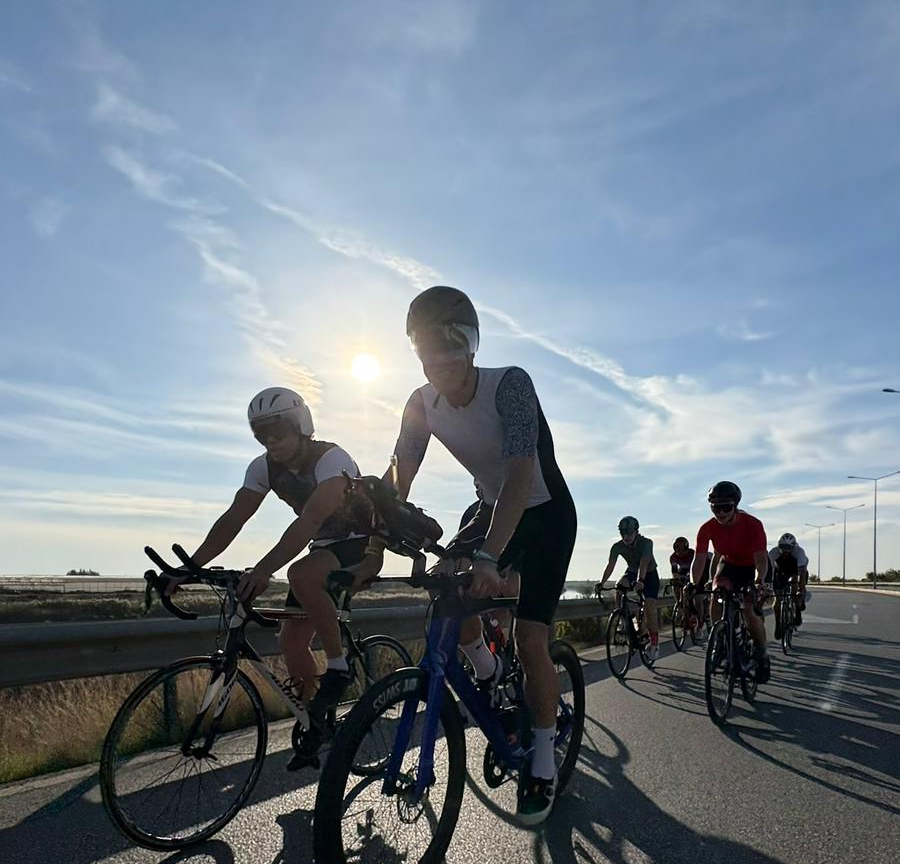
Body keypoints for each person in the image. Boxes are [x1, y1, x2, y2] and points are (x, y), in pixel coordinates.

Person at [388, 285, 577, 827]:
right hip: (492, 508)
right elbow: (399, 474)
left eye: (450, 345)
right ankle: (489, 672)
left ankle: (542, 758)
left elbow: (520, 474)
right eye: (426, 349)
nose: (438, 360)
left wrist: (491, 555)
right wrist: (372, 531)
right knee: (448, 589)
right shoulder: (421, 403)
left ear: (471, 344)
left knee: (532, 637)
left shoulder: (510, 385)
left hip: (543, 512)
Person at [181, 387, 372, 766]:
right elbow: (233, 519)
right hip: (325, 548)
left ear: (301, 426)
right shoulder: (263, 467)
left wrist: (264, 569)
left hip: (362, 545)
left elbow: (310, 521)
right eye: (261, 434)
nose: (271, 441)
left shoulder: (331, 459)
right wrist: (188, 567)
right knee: (291, 640)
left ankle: (338, 666)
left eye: (279, 431)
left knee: (299, 572)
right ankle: (314, 721)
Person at [688, 480, 770, 682]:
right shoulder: (707, 528)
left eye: (726, 507)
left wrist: (760, 580)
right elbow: (699, 560)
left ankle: (762, 653)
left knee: (749, 609)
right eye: (716, 507)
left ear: (735, 506)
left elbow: (761, 558)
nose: (721, 512)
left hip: (751, 565)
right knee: (717, 595)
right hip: (729, 564)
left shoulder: (753, 524)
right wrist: (693, 583)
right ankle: (719, 639)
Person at [596, 518, 660, 662]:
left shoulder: (647, 543)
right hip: (632, 571)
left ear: (636, 531)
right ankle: (623, 620)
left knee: (649, 608)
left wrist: (641, 580)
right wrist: (602, 582)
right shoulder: (617, 546)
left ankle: (654, 643)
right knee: (619, 588)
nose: (626, 536)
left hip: (649, 574)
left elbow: (644, 562)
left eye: (629, 533)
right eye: (622, 533)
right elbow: (611, 565)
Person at [769, 532, 810, 636]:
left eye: (788, 547)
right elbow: (769, 571)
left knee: (795, 588)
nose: (785, 550)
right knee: (777, 598)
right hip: (780, 570)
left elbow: (801, 573)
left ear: (793, 546)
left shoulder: (799, 552)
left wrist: (801, 590)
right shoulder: (773, 553)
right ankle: (778, 623)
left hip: (796, 568)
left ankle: (797, 610)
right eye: (782, 547)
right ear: (778, 546)